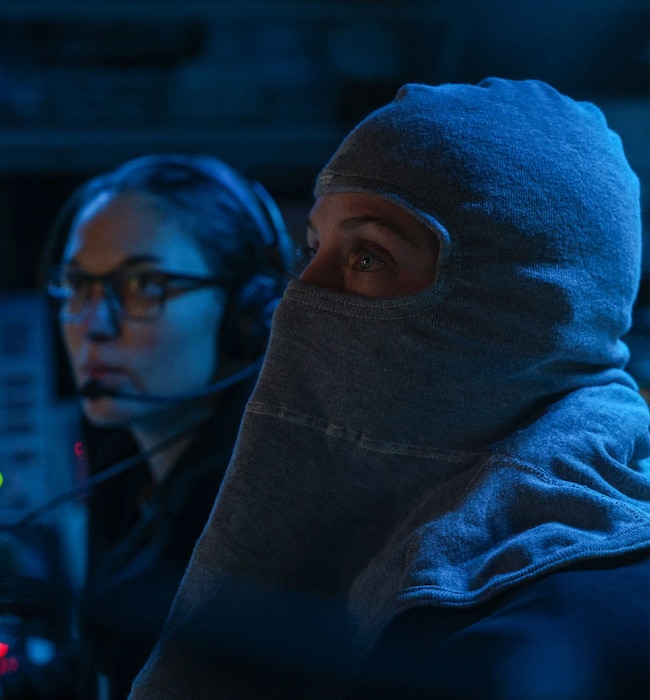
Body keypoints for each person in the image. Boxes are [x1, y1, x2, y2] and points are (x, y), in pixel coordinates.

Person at [129, 78, 650, 699]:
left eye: (367, 256)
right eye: (312, 250)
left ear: (519, 304)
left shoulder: (527, 641)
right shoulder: (409, 534)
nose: (298, 302)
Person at [0, 154, 295, 700]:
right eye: (78, 285)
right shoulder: (123, 472)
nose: (94, 325)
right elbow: (107, 662)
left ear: (248, 318)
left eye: (142, 285)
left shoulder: (254, 522)